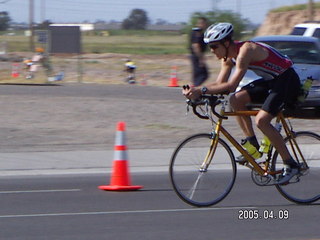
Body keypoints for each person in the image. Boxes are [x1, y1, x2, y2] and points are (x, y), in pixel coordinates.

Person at [182, 22, 301, 185]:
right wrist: (197, 91)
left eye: (215, 46)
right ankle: (252, 145)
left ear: (226, 43)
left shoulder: (245, 51)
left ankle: (291, 165)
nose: (212, 51)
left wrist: (201, 90)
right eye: (209, 47)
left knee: (262, 121)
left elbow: (230, 86)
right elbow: (219, 85)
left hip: (287, 80)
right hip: (271, 80)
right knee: (235, 100)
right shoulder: (228, 58)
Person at [190, 17, 209, 86]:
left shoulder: (200, 32)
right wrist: (200, 58)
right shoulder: (197, 33)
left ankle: (194, 90)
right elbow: (196, 46)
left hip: (197, 56)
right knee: (203, 75)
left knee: (198, 75)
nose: (206, 25)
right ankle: (194, 90)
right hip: (196, 56)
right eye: (205, 23)